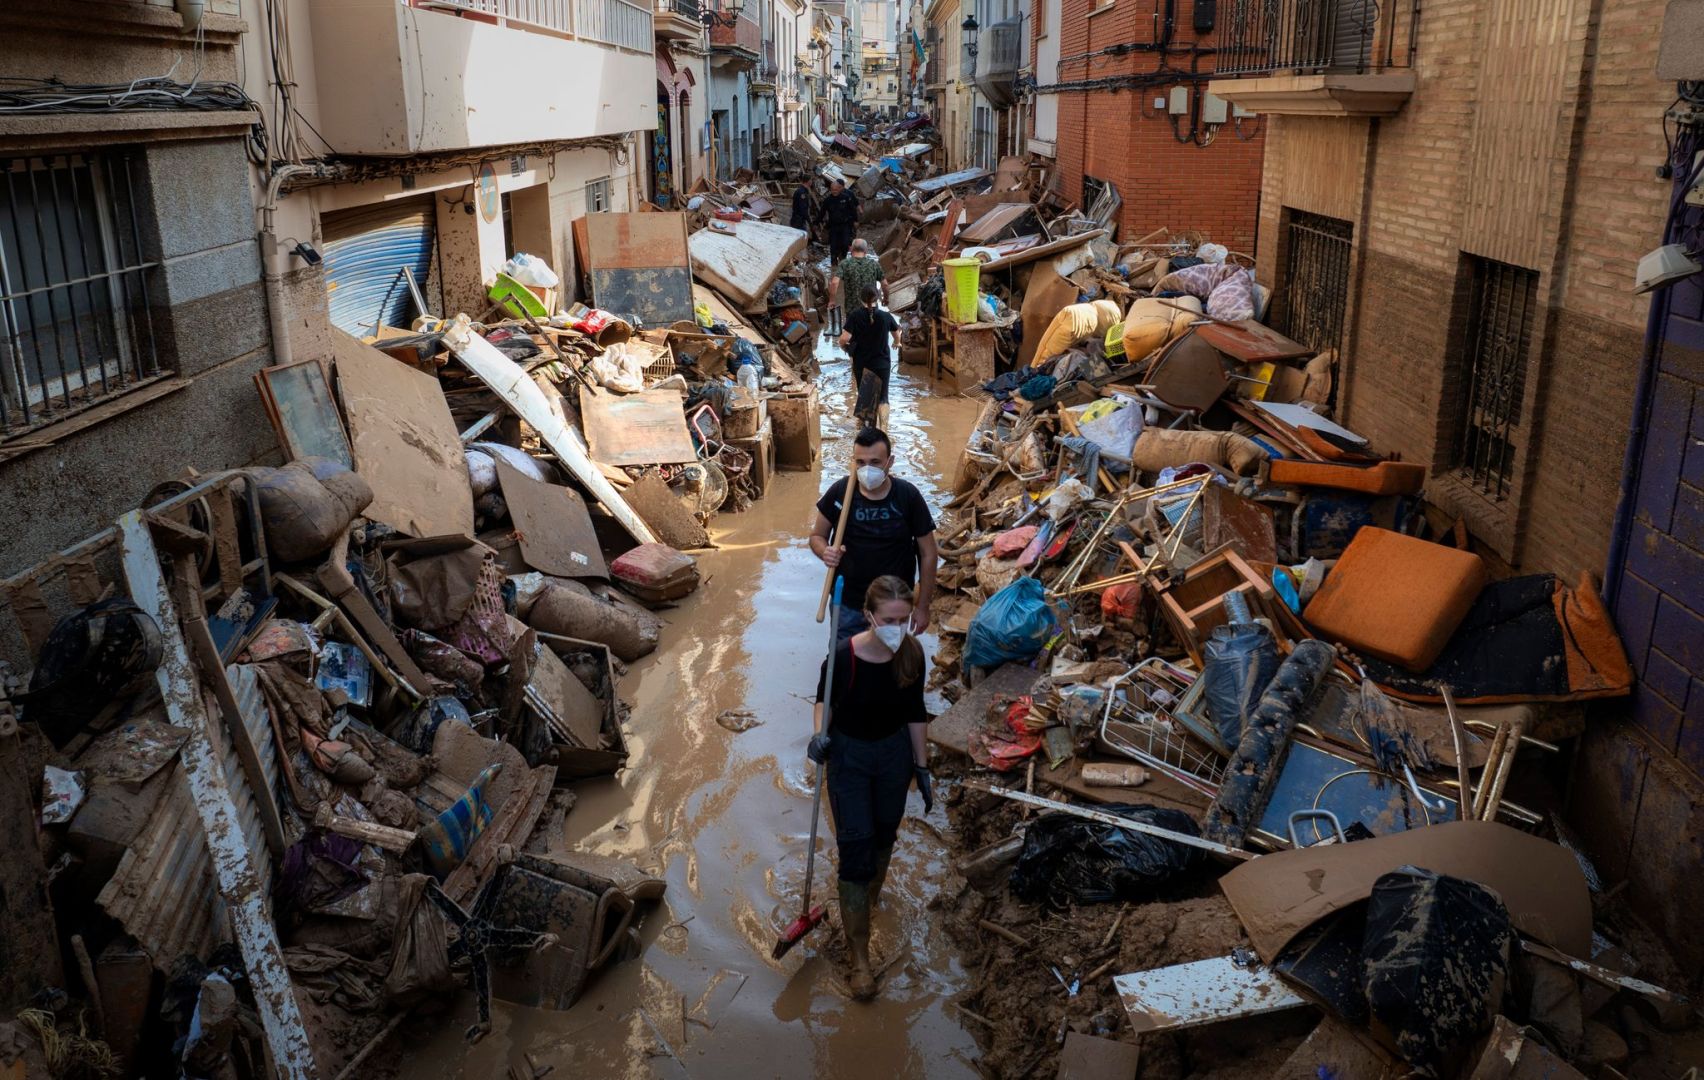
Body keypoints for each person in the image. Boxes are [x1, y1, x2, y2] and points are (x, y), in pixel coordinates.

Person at [807, 575, 934, 1000]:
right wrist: (818, 735)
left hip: (893, 756)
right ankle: (859, 956)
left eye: (903, 618)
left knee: (884, 837)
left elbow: (916, 711)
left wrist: (923, 767)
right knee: (856, 849)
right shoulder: (845, 656)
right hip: (850, 758)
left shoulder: (912, 654)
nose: (897, 627)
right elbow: (823, 699)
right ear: (869, 617)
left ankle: (867, 900)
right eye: (889, 619)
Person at [811, 426, 937, 642]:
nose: (867, 469)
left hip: (893, 608)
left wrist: (922, 606)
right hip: (848, 602)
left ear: (890, 461)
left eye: (875, 462)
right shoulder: (840, 493)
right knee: (844, 663)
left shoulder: (908, 497)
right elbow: (816, 537)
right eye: (860, 462)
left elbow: (928, 553)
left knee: (888, 665)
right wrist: (825, 552)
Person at [838, 284, 900, 428]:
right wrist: (897, 343)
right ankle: (884, 430)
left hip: (862, 363)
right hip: (882, 363)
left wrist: (843, 347)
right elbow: (896, 332)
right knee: (883, 398)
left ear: (861, 299)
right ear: (877, 298)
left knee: (865, 395)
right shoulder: (885, 316)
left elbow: (844, 338)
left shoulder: (854, 316)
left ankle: (866, 427)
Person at [829, 238, 885, 319]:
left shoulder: (845, 264)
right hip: (871, 309)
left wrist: (832, 300)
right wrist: (885, 299)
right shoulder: (874, 264)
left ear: (851, 249)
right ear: (866, 250)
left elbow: (834, 283)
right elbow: (885, 284)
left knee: (851, 331)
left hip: (852, 311)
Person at [818, 177, 859, 268]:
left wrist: (855, 221)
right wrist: (816, 222)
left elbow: (853, 210)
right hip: (833, 226)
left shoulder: (846, 197)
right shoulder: (828, 200)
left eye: (836, 190)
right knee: (833, 246)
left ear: (839, 189)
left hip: (845, 225)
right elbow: (822, 213)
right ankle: (833, 264)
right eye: (832, 190)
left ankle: (843, 258)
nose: (834, 191)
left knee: (845, 243)